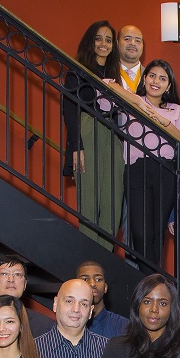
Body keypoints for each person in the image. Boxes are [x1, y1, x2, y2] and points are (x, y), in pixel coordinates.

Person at [125, 58, 180, 266]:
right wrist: (138, 102)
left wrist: (160, 119)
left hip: (165, 170)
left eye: (163, 78)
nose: (156, 81)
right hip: (137, 169)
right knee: (139, 231)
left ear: (168, 86)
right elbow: (108, 88)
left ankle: (152, 281)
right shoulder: (131, 101)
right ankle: (148, 280)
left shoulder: (175, 110)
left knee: (157, 231)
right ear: (144, 78)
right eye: (152, 75)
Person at [63, 20, 124, 248]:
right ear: (90, 41)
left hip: (112, 137)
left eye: (108, 40)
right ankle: (89, 263)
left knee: (112, 202)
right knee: (89, 204)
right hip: (87, 133)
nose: (103, 44)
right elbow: (69, 109)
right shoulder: (77, 70)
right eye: (98, 38)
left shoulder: (115, 76)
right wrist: (76, 146)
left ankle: (105, 261)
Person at [0, 256, 52, 337]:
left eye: (17, 274)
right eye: (4, 274)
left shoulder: (45, 325)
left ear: (25, 284)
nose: (11, 279)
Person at [76, 260, 130, 340]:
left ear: (105, 287)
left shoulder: (123, 326)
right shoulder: (68, 323)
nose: (92, 284)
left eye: (98, 279)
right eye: (85, 279)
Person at [115, 25, 144, 92]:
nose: (132, 43)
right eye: (127, 39)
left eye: (137, 41)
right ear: (117, 43)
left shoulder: (151, 76)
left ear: (143, 46)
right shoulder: (105, 72)